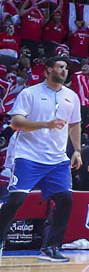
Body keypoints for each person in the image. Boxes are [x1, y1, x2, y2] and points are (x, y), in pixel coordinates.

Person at [0, 55, 81, 261]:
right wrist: (46, 124)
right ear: (47, 71)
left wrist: (77, 150)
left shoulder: (72, 96)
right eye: (60, 67)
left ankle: (51, 247)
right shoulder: (30, 93)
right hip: (28, 156)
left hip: (57, 159)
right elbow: (17, 121)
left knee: (65, 199)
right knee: (16, 200)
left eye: (66, 68)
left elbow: (75, 124)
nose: (64, 71)